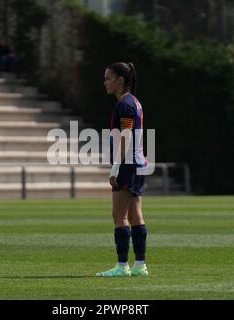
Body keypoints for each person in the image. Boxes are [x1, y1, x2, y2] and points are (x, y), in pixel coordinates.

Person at [96, 62, 148, 277]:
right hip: (139, 164)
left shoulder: (125, 104)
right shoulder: (133, 102)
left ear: (120, 80)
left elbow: (125, 137)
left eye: (108, 78)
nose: (105, 82)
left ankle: (122, 266)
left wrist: (115, 168)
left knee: (119, 215)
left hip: (128, 165)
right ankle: (140, 265)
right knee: (136, 215)